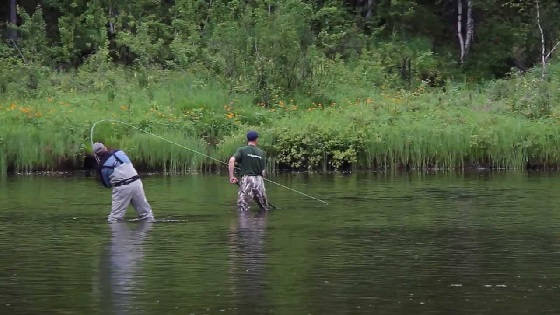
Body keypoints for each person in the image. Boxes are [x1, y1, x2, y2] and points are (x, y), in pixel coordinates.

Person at [93, 142, 155, 223]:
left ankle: (118, 235)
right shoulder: (119, 152)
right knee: (146, 214)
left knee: (114, 219)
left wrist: (100, 166)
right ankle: (144, 233)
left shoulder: (102, 166)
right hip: (137, 183)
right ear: (105, 148)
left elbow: (107, 185)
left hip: (122, 188)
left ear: (96, 155)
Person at [228, 131, 270, 212]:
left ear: (247, 139)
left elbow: (231, 160)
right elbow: (263, 172)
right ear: (256, 139)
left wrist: (232, 176)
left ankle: (245, 223)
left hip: (247, 180)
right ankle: (261, 222)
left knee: (243, 206)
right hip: (259, 180)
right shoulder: (262, 153)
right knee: (264, 206)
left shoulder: (242, 150)